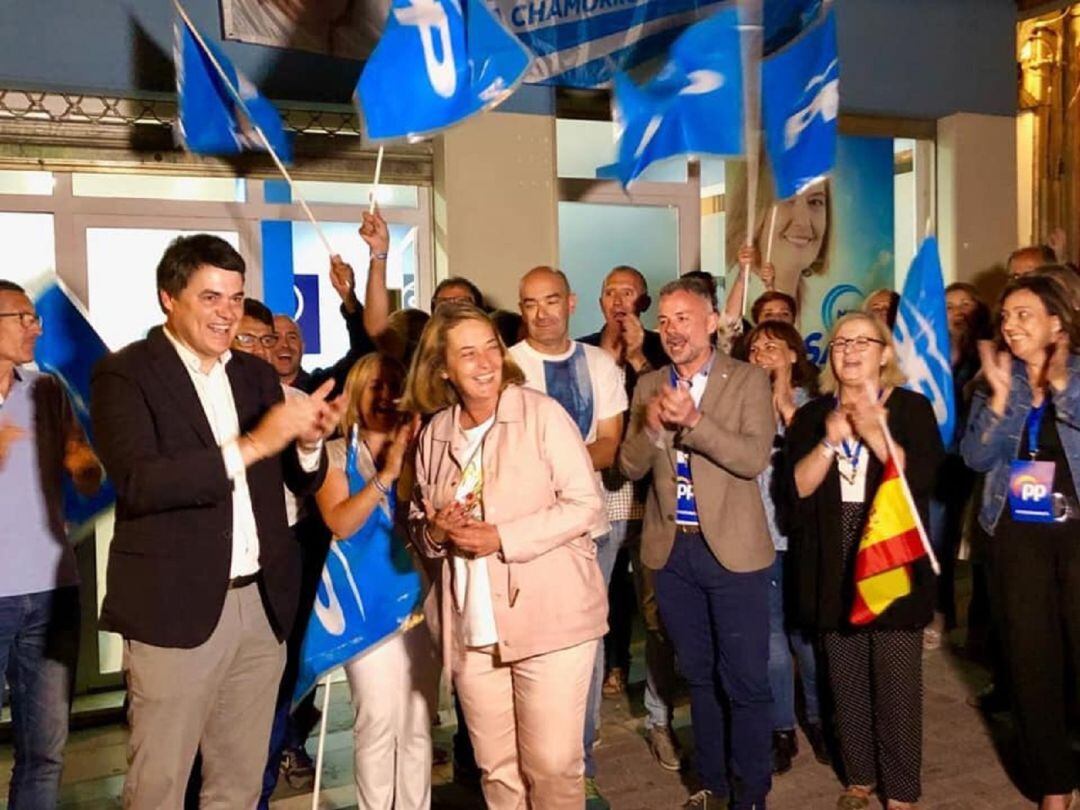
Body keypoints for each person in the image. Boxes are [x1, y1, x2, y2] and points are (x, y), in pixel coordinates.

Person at [90, 234, 337, 808]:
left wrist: (306, 443)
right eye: (211, 297)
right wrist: (252, 445)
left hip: (261, 608)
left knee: (240, 783)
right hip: (175, 609)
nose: (227, 312)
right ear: (168, 299)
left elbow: (300, 480)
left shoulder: (253, 375)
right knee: (159, 785)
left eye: (235, 297)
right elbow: (141, 482)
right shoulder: (125, 375)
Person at [404, 304, 607, 810]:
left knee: (553, 766)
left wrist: (502, 537)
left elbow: (585, 504)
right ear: (442, 368)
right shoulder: (436, 433)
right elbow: (418, 523)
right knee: (498, 773)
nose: (485, 362)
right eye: (467, 353)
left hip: (552, 620)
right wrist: (433, 529)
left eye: (491, 347)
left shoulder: (541, 415)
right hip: (472, 627)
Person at [620, 276, 775, 810]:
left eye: (683, 318)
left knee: (746, 681)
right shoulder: (648, 386)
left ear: (712, 322)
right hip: (672, 553)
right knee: (700, 678)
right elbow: (628, 465)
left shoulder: (748, 380)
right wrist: (657, 429)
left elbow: (753, 459)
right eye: (664, 320)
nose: (672, 330)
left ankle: (750, 793)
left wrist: (696, 422)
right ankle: (712, 784)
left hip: (734, 552)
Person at [788, 312, 944, 810]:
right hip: (833, 543)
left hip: (889, 545)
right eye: (840, 343)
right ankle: (859, 775)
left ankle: (901, 791)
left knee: (896, 680)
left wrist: (875, 431)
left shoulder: (912, 409)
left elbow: (919, 480)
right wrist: (831, 441)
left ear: (885, 353)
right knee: (844, 674)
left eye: (862, 342)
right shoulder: (813, 415)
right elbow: (797, 488)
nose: (850, 351)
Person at [960, 274, 1079, 810]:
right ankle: (1055, 786)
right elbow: (976, 458)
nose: (1010, 325)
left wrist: (1054, 386)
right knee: (1031, 665)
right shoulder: (993, 382)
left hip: (1076, 538)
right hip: (1016, 539)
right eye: (1005, 316)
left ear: (1057, 321)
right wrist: (1006, 398)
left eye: (1024, 314)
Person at [509, 265, 627, 808]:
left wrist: (551, 466)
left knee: (585, 647)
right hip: (523, 534)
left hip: (588, 530)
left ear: (572, 302)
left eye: (551, 300)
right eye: (530, 303)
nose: (542, 313)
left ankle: (580, 763)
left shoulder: (599, 364)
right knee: (526, 647)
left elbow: (609, 446)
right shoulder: (508, 365)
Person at [315, 354, 439, 809]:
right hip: (365, 608)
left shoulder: (424, 449)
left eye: (393, 387)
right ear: (357, 395)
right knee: (377, 721)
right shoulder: (333, 454)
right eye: (374, 388)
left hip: (419, 600)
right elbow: (341, 523)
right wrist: (385, 476)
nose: (386, 397)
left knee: (418, 722)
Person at [0, 280, 102, 809]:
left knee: (45, 753)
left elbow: (83, 463)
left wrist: (85, 465)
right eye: (22, 317)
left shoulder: (46, 390)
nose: (35, 327)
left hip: (53, 590)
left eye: (36, 318)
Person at [579, 265, 681, 772]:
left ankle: (660, 720)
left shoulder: (663, 349)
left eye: (628, 292)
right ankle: (584, 733)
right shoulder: (580, 352)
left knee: (657, 615)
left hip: (652, 499)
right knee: (589, 616)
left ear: (643, 302)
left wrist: (639, 356)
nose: (618, 299)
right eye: (609, 290)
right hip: (598, 498)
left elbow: (669, 408)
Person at [744, 320, 829, 774]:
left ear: (796, 354)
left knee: (808, 638)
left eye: (773, 345)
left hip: (806, 537)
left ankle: (817, 717)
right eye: (755, 346)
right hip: (760, 536)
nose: (762, 351)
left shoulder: (817, 407)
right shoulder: (740, 403)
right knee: (772, 639)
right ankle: (781, 728)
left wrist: (782, 395)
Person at [725, 171, 830, 315]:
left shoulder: (812, 302)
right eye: (787, 199)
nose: (803, 222)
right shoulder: (740, 298)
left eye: (815, 202)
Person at [270, 253, 376, 395]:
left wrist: (348, 298)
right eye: (275, 338)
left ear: (303, 347)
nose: (285, 345)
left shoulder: (322, 388)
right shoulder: (251, 393)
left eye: (292, 337)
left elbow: (364, 352)